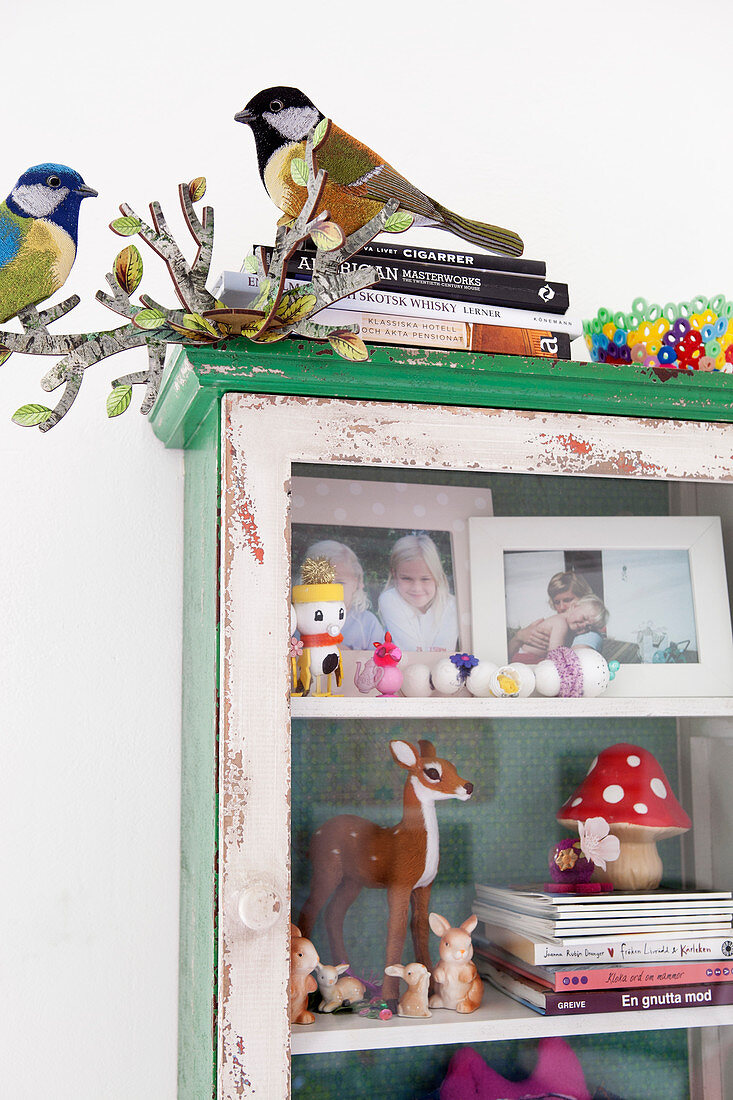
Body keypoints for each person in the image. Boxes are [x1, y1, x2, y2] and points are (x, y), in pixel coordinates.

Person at [378, 533, 458, 652]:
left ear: (437, 576)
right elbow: (411, 651)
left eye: (425, 579)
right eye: (406, 578)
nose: (416, 588)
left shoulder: (451, 604)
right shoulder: (389, 599)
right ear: (394, 574)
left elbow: (444, 653)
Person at [303, 539, 383, 650]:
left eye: (340, 583)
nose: (331, 590)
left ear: (356, 583)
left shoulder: (367, 623)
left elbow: (381, 659)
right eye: (323, 582)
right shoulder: (303, 619)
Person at [509, 570, 605, 658]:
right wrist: (519, 637)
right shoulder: (559, 623)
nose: (562, 607)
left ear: (582, 599)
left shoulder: (588, 633)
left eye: (567, 600)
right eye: (557, 602)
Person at [511, 593, 609, 664]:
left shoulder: (569, 627)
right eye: (584, 618)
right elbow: (554, 656)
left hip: (530, 658)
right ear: (574, 606)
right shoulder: (561, 624)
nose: (583, 625)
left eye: (588, 627)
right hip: (526, 659)